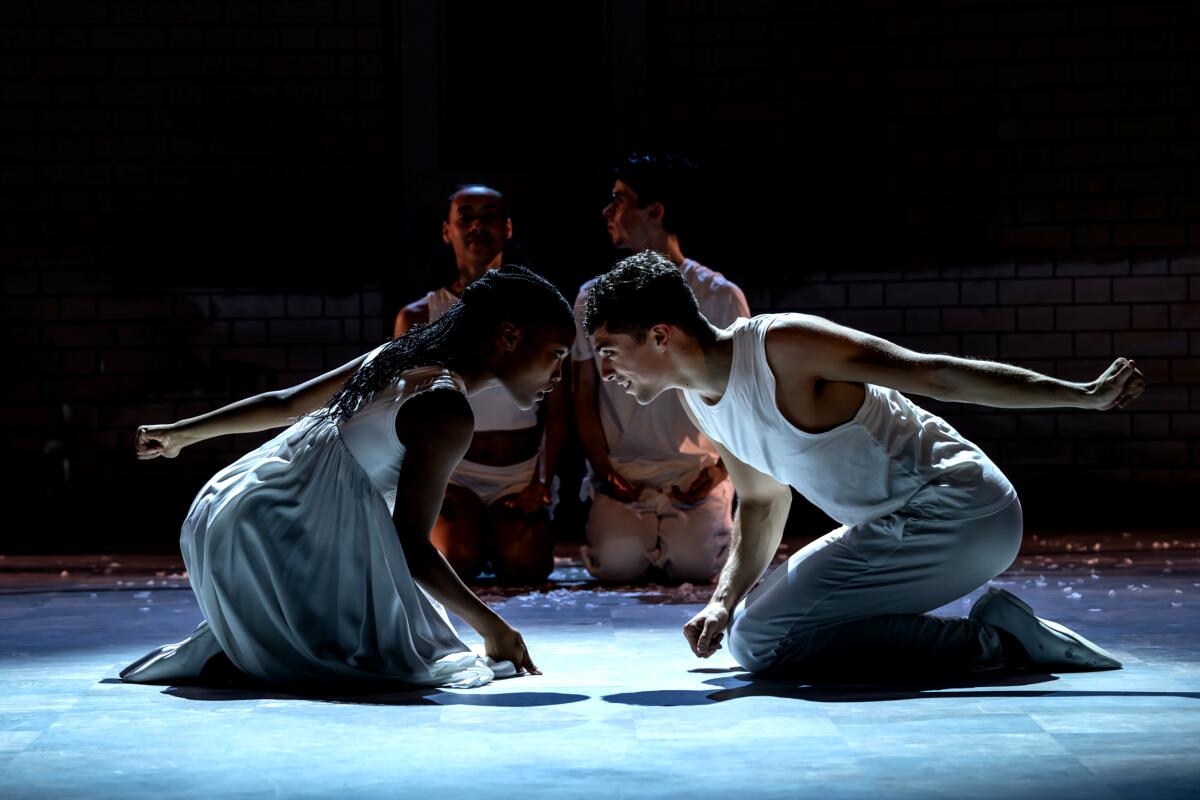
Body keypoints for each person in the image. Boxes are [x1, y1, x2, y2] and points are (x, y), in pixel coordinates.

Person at [582, 251, 1146, 677]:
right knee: (753, 631)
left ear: (660, 335)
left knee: (760, 641)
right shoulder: (696, 398)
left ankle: (997, 645)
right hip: (890, 527)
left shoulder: (782, 346)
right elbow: (761, 498)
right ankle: (1002, 630)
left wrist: (1081, 395)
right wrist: (722, 602)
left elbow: (935, 374)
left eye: (609, 351)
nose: (605, 373)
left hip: (961, 510)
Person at [123, 266, 575, 690]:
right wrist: (493, 627)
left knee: (389, 620)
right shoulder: (445, 410)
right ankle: (255, 658)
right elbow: (411, 547)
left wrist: (181, 434)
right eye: (555, 355)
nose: (559, 375)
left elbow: (283, 405)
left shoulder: (398, 357)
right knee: (386, 654)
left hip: (233, 507)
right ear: (509, 337)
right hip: (273, 537)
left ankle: (257, 648)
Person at [572, 154, 749, 583]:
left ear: (655, 211)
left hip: (695, 471)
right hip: (625, 471)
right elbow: (582, 392)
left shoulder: (720, 296)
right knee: (617, 565)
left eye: (619, 200)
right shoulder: (592, 297)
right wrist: (602, 466)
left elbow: (745, 397)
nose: (607, 211)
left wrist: (721, 469)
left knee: (694, 564)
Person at [396, 185, 567, 584]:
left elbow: (559, 408)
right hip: (456, 472)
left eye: (488, 215)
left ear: (507, 228)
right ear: (446, 231)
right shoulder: (420, 315)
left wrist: (540, 482)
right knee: (454, 560)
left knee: (527, 566)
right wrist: (429, 480)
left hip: (518, 472)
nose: (477, 225)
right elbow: (403, 410)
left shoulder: (539, 311)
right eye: (465, 216)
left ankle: (497, 536)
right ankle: (471, 533)